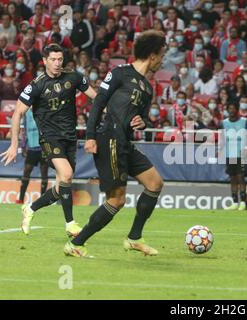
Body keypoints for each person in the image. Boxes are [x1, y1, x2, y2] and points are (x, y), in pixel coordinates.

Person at [64, 31, 167, 257]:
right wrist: (90, 135)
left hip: (125, 142)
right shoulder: (119, 73)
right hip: (109, 138)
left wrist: (142, 122)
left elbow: (142, 117)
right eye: (161, 55)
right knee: (117, 200)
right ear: (152, 56)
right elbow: (99, 103)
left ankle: (134, 238)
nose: (163, 60)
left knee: (155, 183)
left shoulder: (147, 88)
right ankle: (76, 244)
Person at [0, 43, 97, 237]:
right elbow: (18, 112)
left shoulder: (74, 77)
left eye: (60, 59)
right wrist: (14, 144)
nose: (57, 63)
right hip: (49, 138)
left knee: (62, 186)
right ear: (44, 61)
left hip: (69, 138)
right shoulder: (37, 85)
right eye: (53, 59)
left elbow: (96, 97)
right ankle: (70, 224)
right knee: (67, 174)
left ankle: (31, 208)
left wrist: (113, 110)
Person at [221, 102, 247, 211]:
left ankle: (243, 202)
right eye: (230, 108)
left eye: (233, 108)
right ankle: (234, 202)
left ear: (237, 110)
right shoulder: (224, 123)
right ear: (227, 110)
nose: (232, 110)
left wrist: (246, 149)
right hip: (230, 154)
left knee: (241, 177)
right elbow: (222, 138)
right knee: (233, 178)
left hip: (241, 153)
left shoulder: (244, 121)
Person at [16, 109, 49, 204]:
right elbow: (25, 130)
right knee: (26, 171)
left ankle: (42, 199)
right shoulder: (27, 113)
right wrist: (23, 145)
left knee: (44, 173)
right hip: (31, 148)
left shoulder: (44, 111)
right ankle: (21, 199)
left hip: (43, 147)